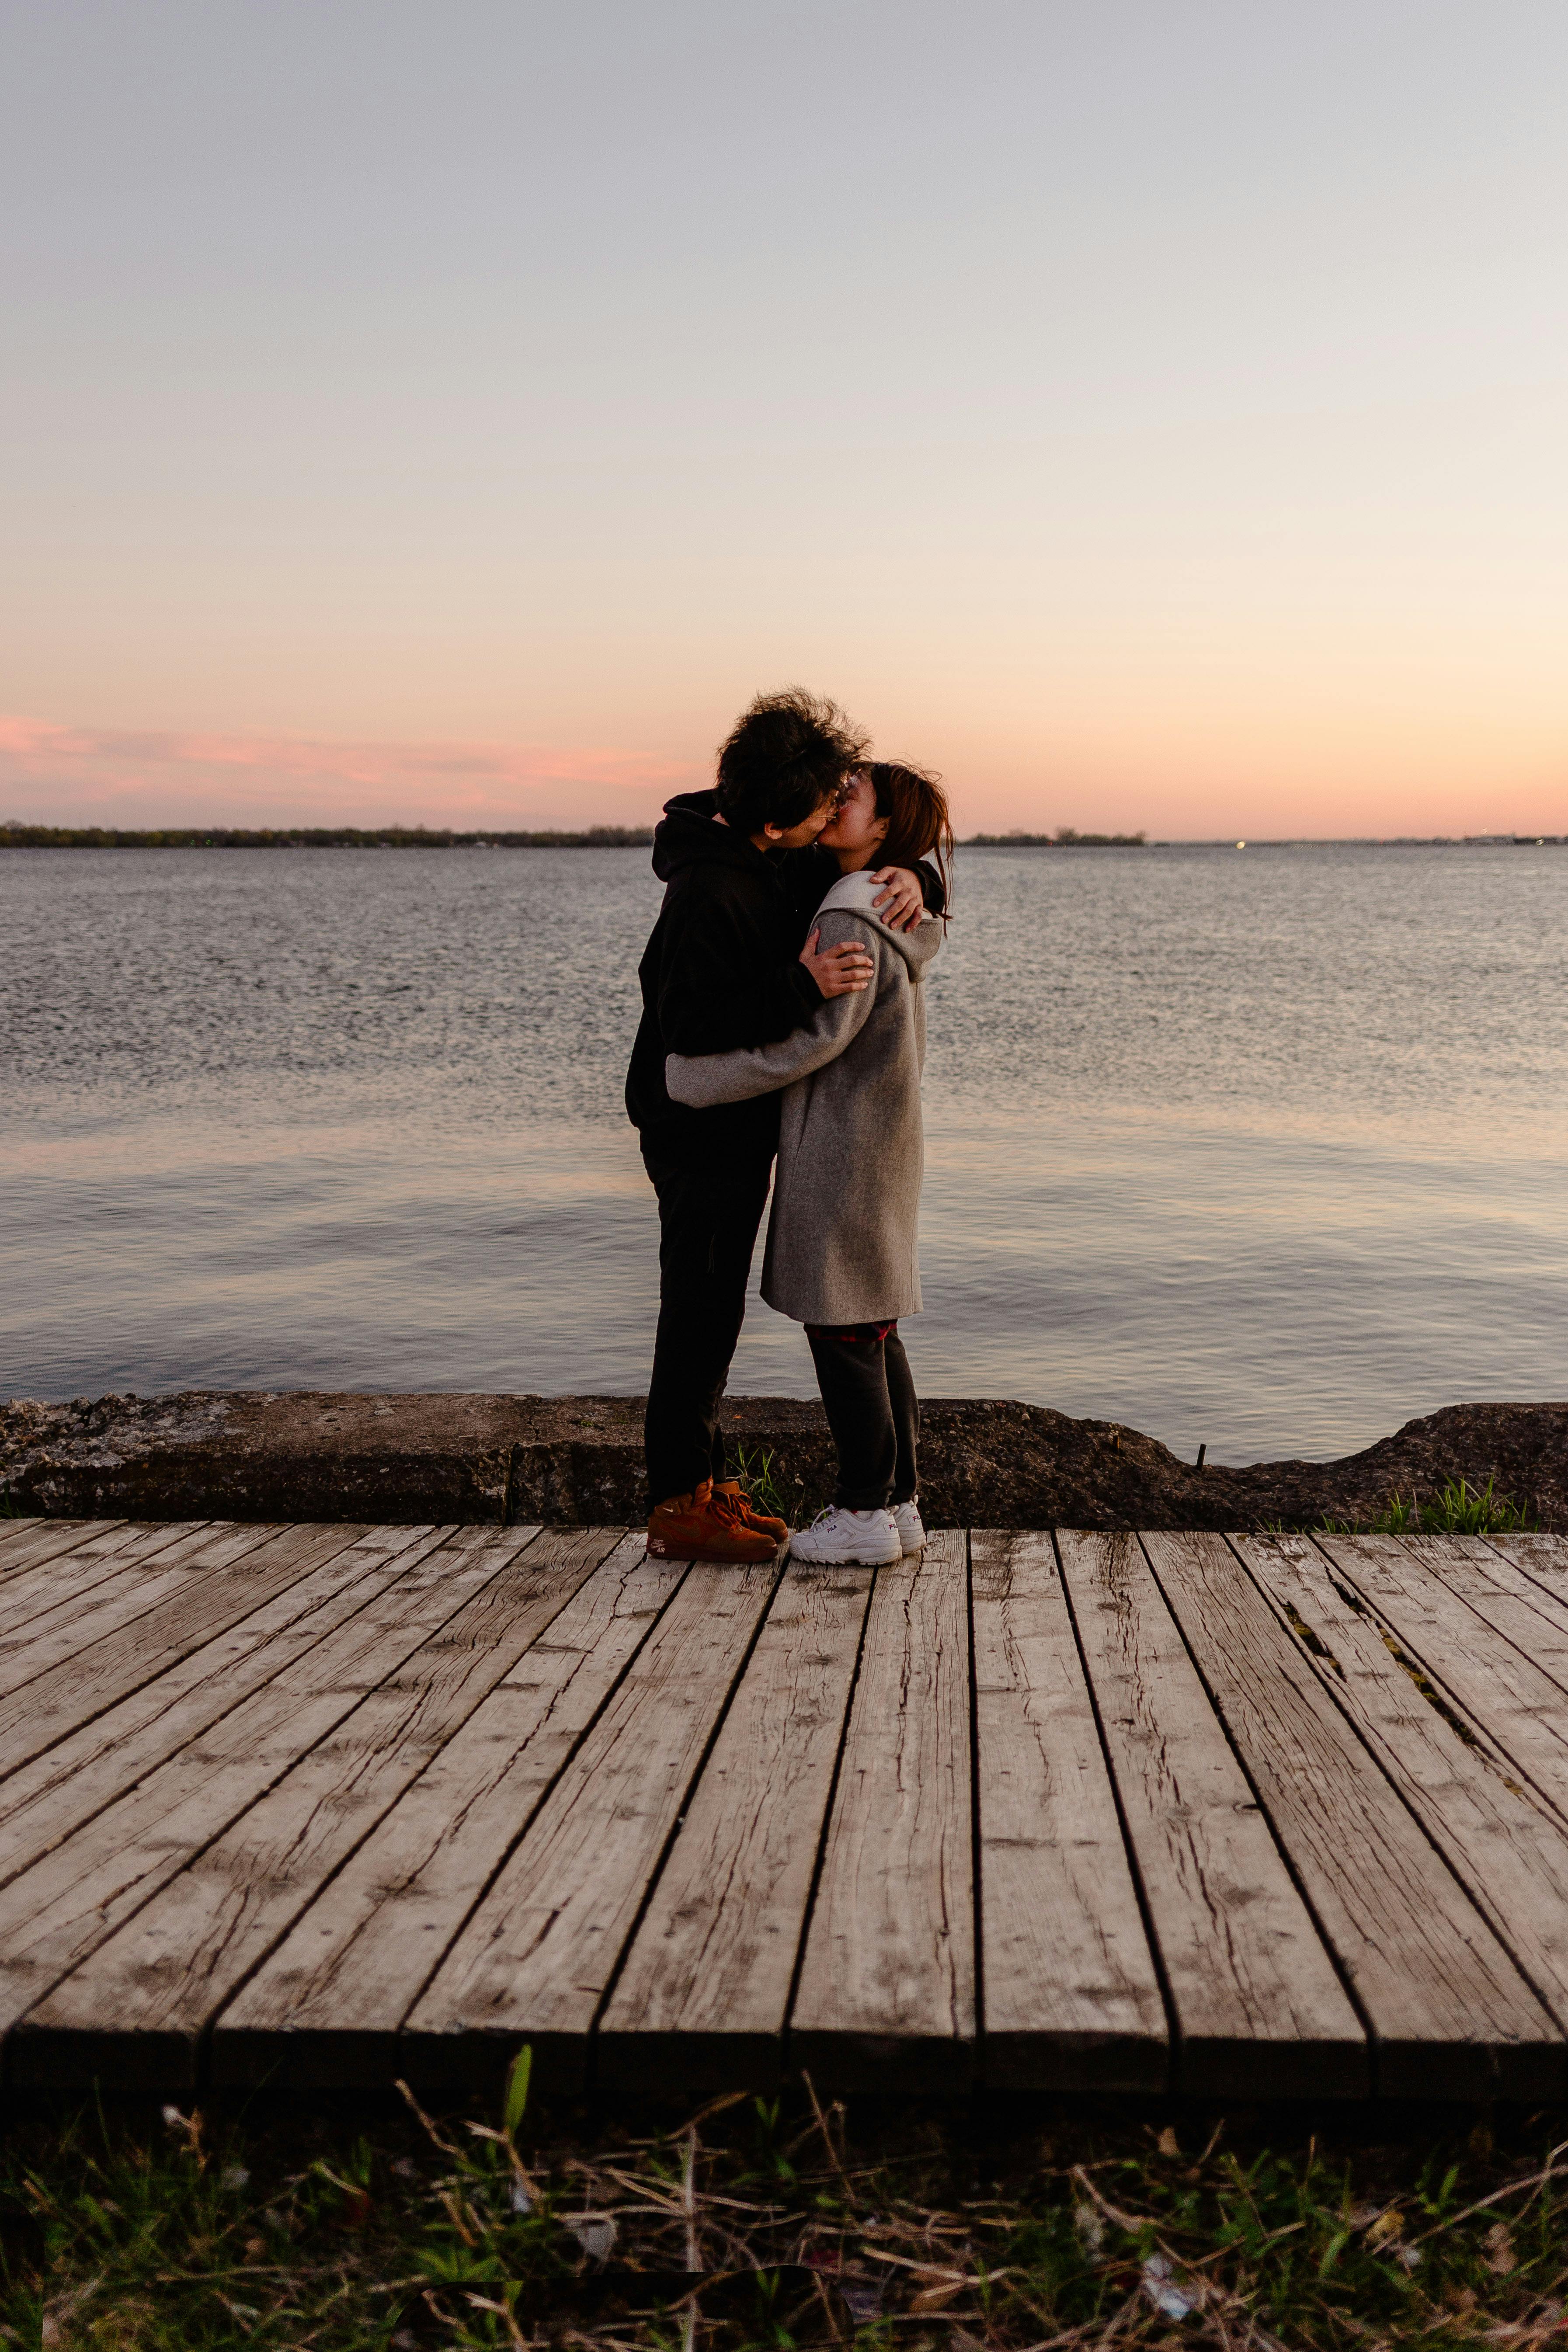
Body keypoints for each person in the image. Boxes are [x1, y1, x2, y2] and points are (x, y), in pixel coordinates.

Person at [625, 692, 946, 1565]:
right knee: (698, 1308)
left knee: (732, 1306)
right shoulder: (708, 891)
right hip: (695, 1123)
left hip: (749, 1119)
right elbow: (693, 1031)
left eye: (847, 795)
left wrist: (920, 876)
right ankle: (679, 1499)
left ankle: (717, 1485)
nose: (834, 805)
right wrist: (802, 986)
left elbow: (892, 858)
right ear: (779, 817)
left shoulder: (787, 856)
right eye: (824, 799)